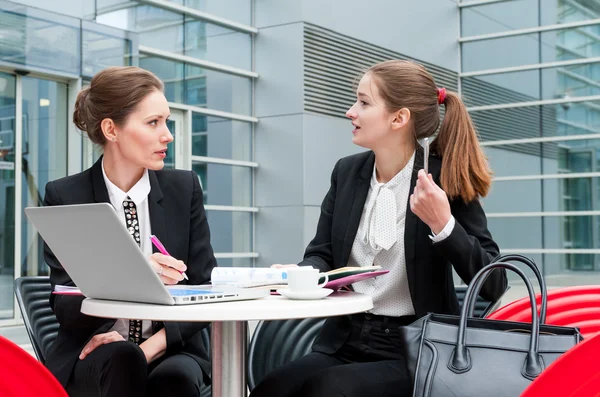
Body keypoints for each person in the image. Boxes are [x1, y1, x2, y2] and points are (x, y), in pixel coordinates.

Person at [250, 60, 508, 397]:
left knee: (326, 391)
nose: (350, 112)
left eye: (363, 102)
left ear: (399, 119)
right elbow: (321, 253)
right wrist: (302, 273)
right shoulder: (347, 173)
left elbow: (495, 284)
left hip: (415, 349)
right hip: (345, 339)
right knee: (271, 390)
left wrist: (444, 225)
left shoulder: (443, 180)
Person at [42, 66, 217, 397]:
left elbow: (203, 288)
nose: (168, 134)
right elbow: (64, 303)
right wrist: (134, 274)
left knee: (174, 379)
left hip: (171, 345)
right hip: (97, 345)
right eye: (153, 123)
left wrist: (146, 349)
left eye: (166, 121)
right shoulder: (66, 197)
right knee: (121, 359)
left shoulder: (185, 188)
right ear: (111, 129)